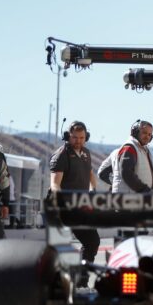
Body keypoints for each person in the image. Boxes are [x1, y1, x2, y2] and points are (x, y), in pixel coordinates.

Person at [49, 120, 99, 285]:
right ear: (68, 137)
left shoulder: (86, 153)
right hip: (64, 208)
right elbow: (55, 183)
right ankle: (55, 284)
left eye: (82, 137)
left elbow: (90, 174)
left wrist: (93, 189)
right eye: (75, 137)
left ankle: (81, 281)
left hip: (81, 206)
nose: (78, 141)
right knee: (59, 249)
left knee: (92, 241)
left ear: (86, 137)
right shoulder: (61, 155)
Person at [111, 119, 153, 193]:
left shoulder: (144, 150)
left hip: (137, 199)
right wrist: (145, 190)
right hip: (125, 199)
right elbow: (127, 173)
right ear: (135, 132)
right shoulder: (129, 148)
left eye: (149, 135)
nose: (147, 137)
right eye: (144, 133)